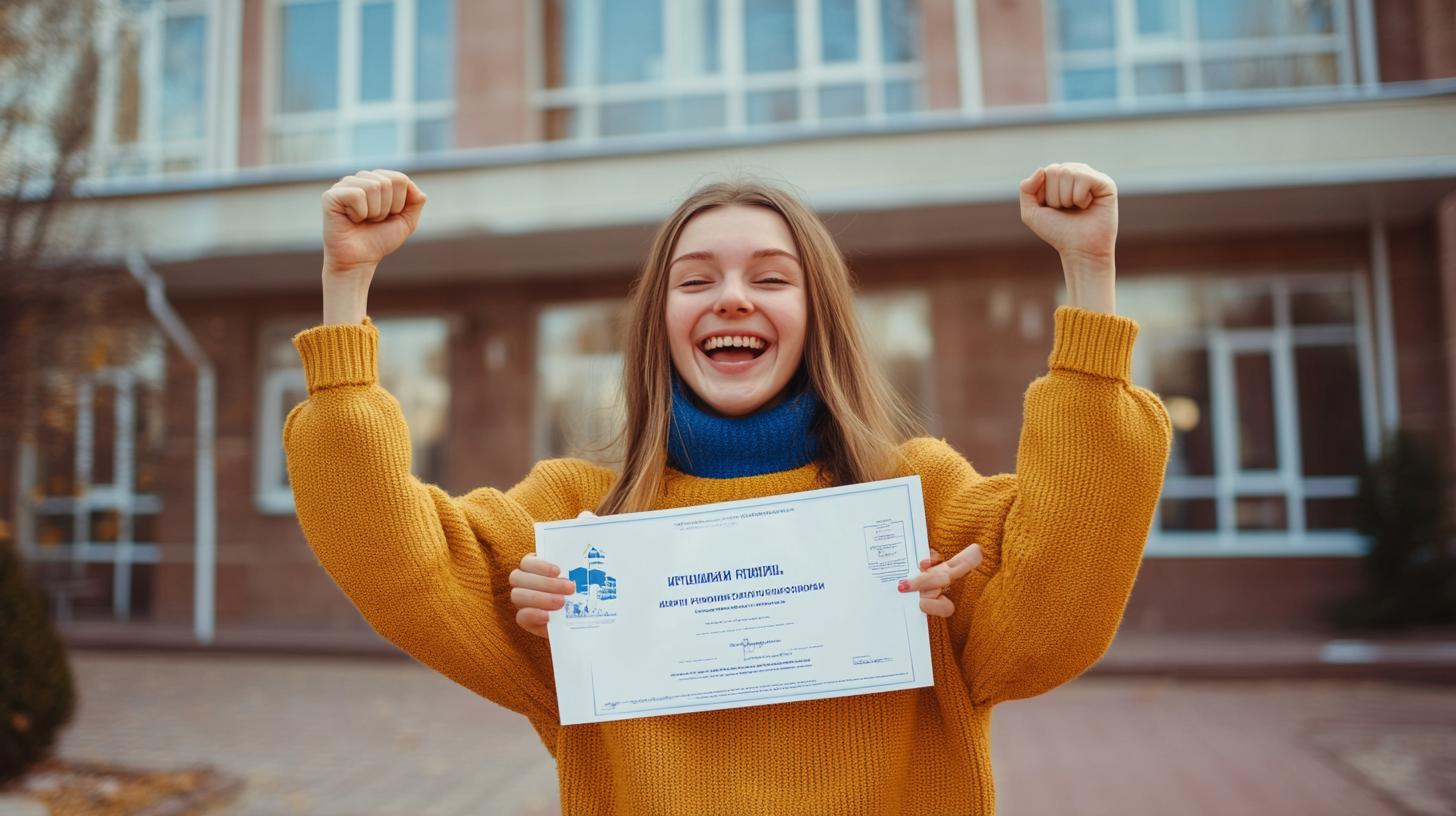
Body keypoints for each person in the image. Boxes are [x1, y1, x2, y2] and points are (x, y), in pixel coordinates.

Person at [285, 164, 1171, 815]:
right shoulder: (574, 524)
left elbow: (1058, 618)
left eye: (771, 277)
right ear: (658, 325)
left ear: (816, 314)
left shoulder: (918, 497)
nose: (733, 298)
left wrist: (1090, 276)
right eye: (696, 279)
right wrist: (345, 287)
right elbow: (394, 557)